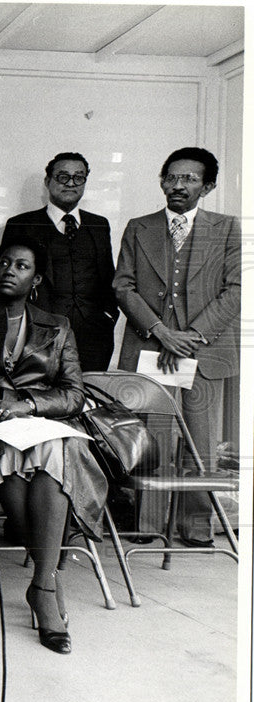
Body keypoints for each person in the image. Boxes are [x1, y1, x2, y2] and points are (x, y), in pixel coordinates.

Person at [0, 235, 108, 654]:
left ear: (36, 279)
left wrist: (30, 404)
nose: (11, 271)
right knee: (25, 456)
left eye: (22, 266)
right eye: (5, 263)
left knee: (52, 451)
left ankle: (43, 584)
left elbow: (73, 392)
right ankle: (47, 588)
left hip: (46, 424)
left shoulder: (57, 326)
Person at [113, 147, 240, 547]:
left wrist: (192, 335)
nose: (177, 185)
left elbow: (236, 289)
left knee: (201, 444)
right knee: (153, 436)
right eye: (171, 178)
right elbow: (123, 286)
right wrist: (161, 331)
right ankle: (147, 525)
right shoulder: (139, 227)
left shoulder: (228, 228)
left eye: (188, 179)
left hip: (204, 351)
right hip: (153, 348)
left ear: (208, 186)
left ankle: (197, 527)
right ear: (162, 181)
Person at [0, 152, 118, 372]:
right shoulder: (21, 224)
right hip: (38, 334)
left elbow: (108, 278)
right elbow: (5, 282)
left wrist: (108, 317)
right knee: (41, 397)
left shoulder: (99, 225)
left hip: (93, 336)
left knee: (90, 398)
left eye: (78, 177)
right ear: (48, 181)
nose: (71, 183)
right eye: (63, 177)